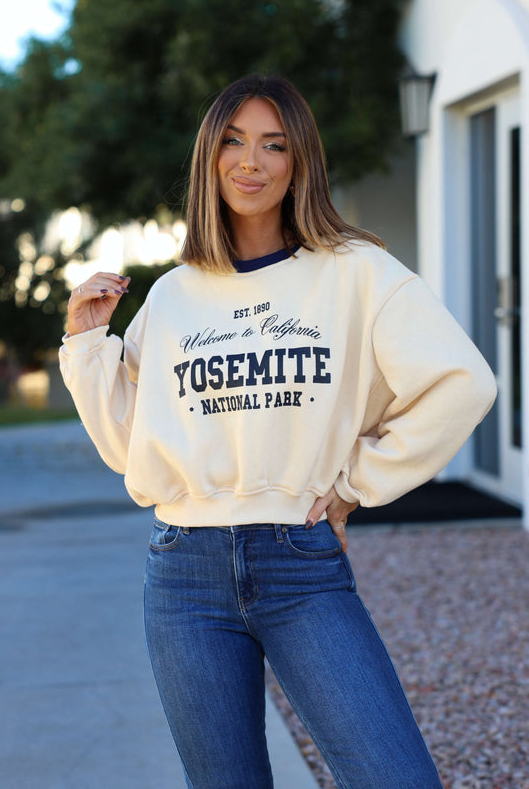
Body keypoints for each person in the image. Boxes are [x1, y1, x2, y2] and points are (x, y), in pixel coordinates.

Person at [60, 74, 496, 789]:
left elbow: (462, 383)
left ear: (299, 164)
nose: (250, 162)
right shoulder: (172, 296)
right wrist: (86, 345)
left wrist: (358, 484)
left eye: (274, 145)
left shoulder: (355, 273)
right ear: (208, 157)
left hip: (300, 561)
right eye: (232, 141)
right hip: (182, 572)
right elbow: (126, 447)